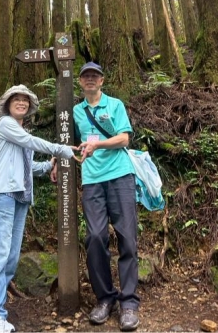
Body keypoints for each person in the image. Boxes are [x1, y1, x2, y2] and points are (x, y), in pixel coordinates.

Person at [0, 84, 80, 333]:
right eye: (16, 99)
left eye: (25, 100)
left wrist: (48, 165)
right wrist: (61, 149)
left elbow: (26, 168)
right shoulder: (5, 124)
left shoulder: (20, 132)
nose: (21, 102)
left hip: (20, 197)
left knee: (11, 259)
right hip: (1, 195)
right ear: (8, 104)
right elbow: (30, 142)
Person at [54, 61, 141, 331]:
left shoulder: (114, 105)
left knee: (127, 238)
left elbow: (124, 138)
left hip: (120, 176)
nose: (90, 79)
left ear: (102, 80)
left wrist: (98, 144)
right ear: (80, 82)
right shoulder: (76, 112)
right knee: (94, 238)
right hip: (92, 180)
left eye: (95, 76)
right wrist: (57, 160)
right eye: (86, 76)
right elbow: (71, 142)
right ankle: (105, 298)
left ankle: (129, 303)